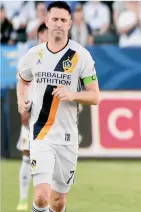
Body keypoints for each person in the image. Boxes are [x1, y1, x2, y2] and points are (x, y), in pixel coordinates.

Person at [16, 2, 100, 212]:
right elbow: (23, 80)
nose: (59, 24)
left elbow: (95, 96)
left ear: (70, 24)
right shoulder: (33, 55)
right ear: (46, 21)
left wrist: (71, 94)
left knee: (58, 201)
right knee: (42, 196)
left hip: (67, 137)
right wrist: (21, 100)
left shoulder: (81, 56)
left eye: (63, 20)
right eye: (55, 19)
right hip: (41, 133)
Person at [16, 22, 48, 212]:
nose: (45, 38)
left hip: (49, 120)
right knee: (27, 157)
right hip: (31, 115)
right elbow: (23, 85)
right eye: (43, 35)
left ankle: (45, 199)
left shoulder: (58, 59)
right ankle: (22, 200)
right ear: (38, 37)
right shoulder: (30, 59)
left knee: (49, 161)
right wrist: (24, 116)